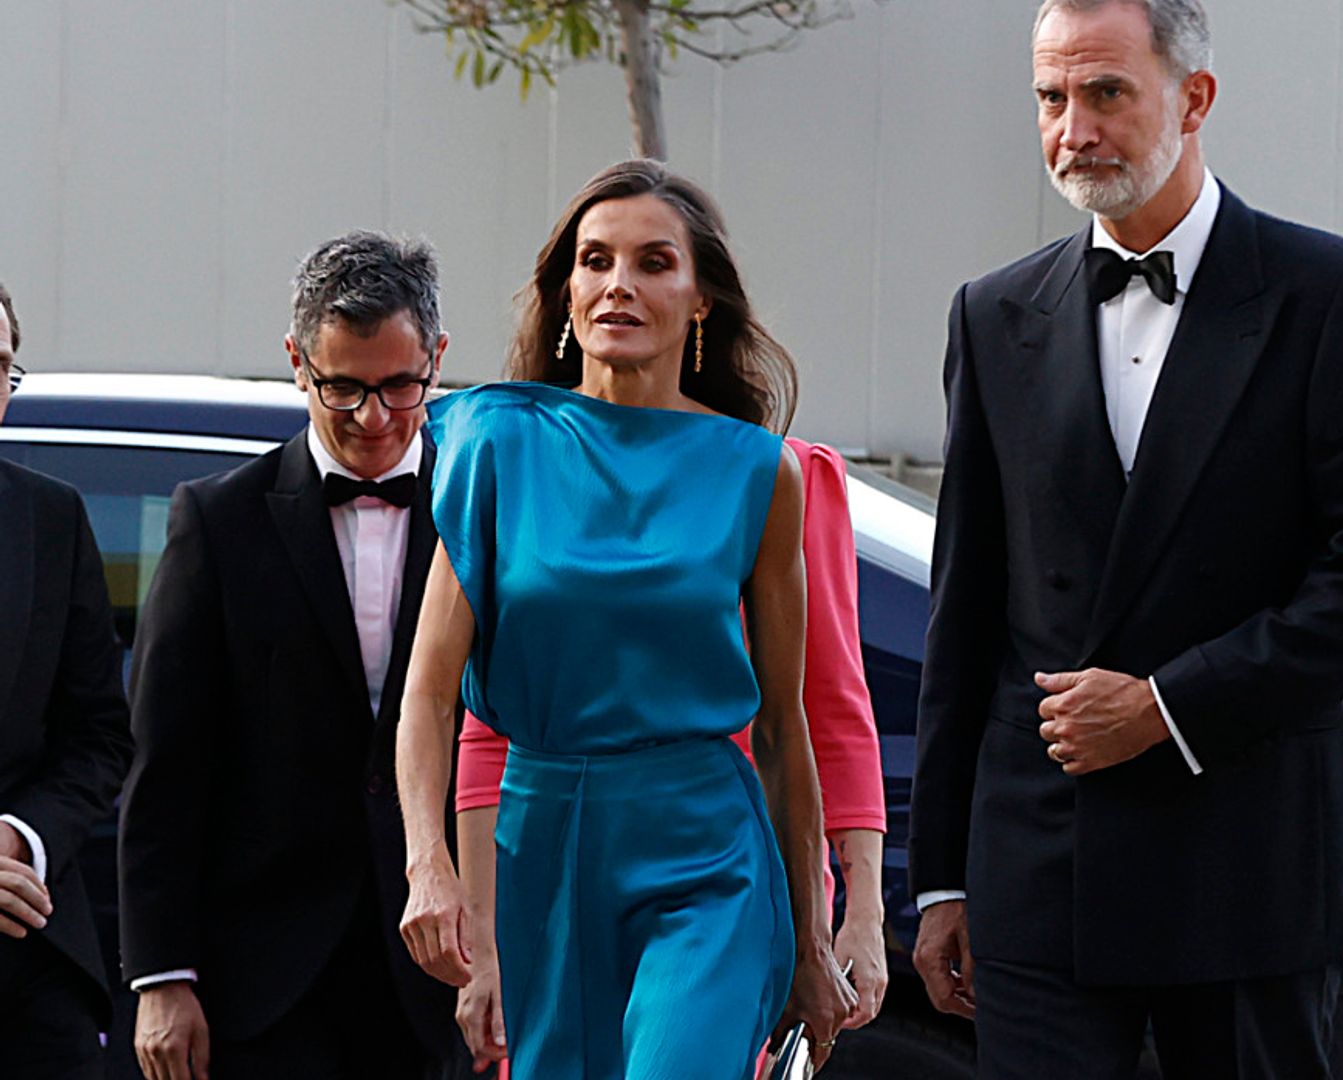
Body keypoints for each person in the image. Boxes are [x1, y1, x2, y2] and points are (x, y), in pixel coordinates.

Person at [907, 1, 1343, 1075]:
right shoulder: (992, 311)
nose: (1075, 129)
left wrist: (1167, 707)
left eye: (1107, 93)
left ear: (1195, 98)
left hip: (1247, 867)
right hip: (1040, 869)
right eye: (1051, 99)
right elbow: (965, 610)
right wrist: (944, 880)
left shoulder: (1333, 297)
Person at [393, 159, 857, 1080]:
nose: (619, 285)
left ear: (699, 302)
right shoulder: (494, 446)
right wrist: (429, 864)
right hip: (549, 840)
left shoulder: (760, 472)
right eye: (596, 261)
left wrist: (812, 935)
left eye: (653, 262)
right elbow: (430, 694)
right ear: (566, 294)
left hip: (707, 851)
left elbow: (784, 724)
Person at [118, 234, 467, 1079]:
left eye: (399, 387)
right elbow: (167, 762)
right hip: (264, 978)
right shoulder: (218, 521)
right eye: (342, 388)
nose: (373, 419)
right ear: (296, 362)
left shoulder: (480, 509)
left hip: (443, 974)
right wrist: (163, 976)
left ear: (438, 359)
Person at [449, 436, 889, 1073]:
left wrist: (861, 914)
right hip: (557, 869)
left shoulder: (781, 474)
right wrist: (483, 947)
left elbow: (830, 706)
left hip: (730, 865)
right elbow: (489, 736)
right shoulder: (532, 468)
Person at [0, 282, 135, 1079]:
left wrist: (19, 837)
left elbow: (99, 735)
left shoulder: (51, 518)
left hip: (29, 953)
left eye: (1, 367)